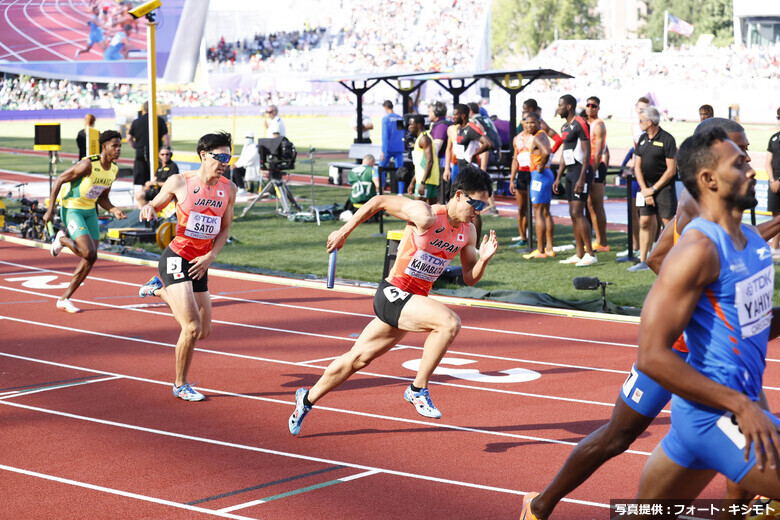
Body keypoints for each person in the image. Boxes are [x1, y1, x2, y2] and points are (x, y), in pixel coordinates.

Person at [520, 117, 776, 520]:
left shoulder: (744, 234)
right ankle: (539, 506)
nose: (750, 163)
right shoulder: (697, 221)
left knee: (654, 508)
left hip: (717, 375)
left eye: (746, 153)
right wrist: (699, 314)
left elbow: (748, 301)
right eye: (739, 152)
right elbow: (657, 259)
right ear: (710, 169)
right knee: (617, 437)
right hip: (679, 352)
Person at [620, 126, 780, 518]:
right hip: (714, 415)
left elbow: (756, 323)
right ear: (708, 179)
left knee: (645, 514)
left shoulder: (753, 241)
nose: (752, 170)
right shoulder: (696, 250)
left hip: (730, 409)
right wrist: (740, 405)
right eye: (739, 163)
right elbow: (651, 356)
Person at [288, 165, 499, 435]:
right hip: (393, 293)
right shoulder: (426, 215)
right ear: (459, 195)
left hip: (413, 302)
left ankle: (305, 400)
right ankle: (417, 389)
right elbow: (378, 201)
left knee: (357, 359)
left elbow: (470, 278)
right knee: (449, 323)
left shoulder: (468, 232)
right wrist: (343, 232)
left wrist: (483, 259)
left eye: (483, 205)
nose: (478, 210)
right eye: (476, 203)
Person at [137, 132, 237, 402]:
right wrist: (148, 208)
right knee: (190, 328)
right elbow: (155, 204)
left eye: (229, 157)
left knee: (203, 332)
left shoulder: (229, 188)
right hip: (176, 257)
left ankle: (158, 290)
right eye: (221, 157)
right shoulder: (180, 181)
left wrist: (210, 257)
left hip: (200, 263)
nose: (225, 162)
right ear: (204, 155)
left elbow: (225, 228)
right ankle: (180, 385)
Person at [43, 130, 127, 313]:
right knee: (88, 251)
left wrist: (114, 209)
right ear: (104, 147)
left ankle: (64, 298)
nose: (119, 149)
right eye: (115, 145)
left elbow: (103, 197)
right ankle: (62, 239)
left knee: (91, 257)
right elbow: (59, 179)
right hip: (72, 209)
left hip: (90, 211)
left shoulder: (113, 170)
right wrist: (50, 210)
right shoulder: (87, 164)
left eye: (120, 146)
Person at [629, 106, 677, 272]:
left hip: (663, 188)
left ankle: (673, 258)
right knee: (644, 221)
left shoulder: (667, 139)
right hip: (646, 188)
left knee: (668, 223)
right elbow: (637, 167)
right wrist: (645, 190)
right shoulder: (642, 139)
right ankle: (643, 260)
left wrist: (654, 189)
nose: (639, 123)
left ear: (650, 122)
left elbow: (671, 169)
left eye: (641, 120)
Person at [553, 94, 596, 267]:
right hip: (570, 172)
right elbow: (565, 152)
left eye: (560, 105)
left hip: (580, 172)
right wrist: (558, 177)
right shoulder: (565, 126)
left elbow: (587, 152)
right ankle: (579, 254)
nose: (558, 108)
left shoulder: (580, 123)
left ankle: (590, 254)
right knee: (573, 213)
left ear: (569, 106)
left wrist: (582, 177)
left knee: (578, 212)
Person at [518, 112, 555, 259]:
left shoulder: (538, 136)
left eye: (532, 123)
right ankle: (549, 248)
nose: (529, 125)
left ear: (539, 123)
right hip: (546, 175)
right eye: (527, 123)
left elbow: (546, 152)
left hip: (540, 175)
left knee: (538, 212)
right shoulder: (543, 135)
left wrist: (541, 165)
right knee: (546, 212)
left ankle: (540, 250)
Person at [127, 101, 170, 194]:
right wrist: (167, 151)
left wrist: (136, 147)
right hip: (156, 154)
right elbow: (167, 138)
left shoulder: (136, 122)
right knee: (157, 179)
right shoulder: (159, 120)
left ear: (143, 109)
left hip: (140, 153)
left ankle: (142, 202)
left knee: (142, 183)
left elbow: (129, 138)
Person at [585, 96, 609, 252]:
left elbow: (600, 150)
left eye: (593, 105)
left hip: (595, 166)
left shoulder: (598, 125)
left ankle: (603, 241)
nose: (590, 108)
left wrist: (593, 171)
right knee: (590, 205)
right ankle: (597, 239)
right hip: (588, 165)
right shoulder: (586, 123)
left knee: (597, 205)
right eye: (588, 105)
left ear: (598, 108)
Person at [407, 114, 439, 204]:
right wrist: (413, 182)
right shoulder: (422, 138)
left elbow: (429, 161)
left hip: (426, 181)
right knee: (432, 211)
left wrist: (423, 182)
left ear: (419, 125)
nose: (409, 127)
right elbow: (421, 164)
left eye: (411, 124)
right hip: (429, 179)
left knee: (418, 209)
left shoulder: (424, 139)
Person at [509, 116, 531, 245]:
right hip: (521, 174)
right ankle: (523, 237)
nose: (527, 124)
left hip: (534, 173)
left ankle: (542, 239)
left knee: (538, 209)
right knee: (521, 208)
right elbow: (515, 159)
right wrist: (512, 179)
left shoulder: (537, 136)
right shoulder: (517, 139)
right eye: (525, 120)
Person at [766, 107, 780, 256]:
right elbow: (768, 161)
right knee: (775, 216)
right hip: (773, 182)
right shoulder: (774, 138)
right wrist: (772, 180)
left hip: (778, 181)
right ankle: (775, 249)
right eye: (778, 118)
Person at [380, 100, 405, 176]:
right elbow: (402, 133)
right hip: (399, 148)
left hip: (388, 149)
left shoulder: (386, 119)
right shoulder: (400, 118)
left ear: (386, 107)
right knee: (401, 172)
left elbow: (385, 136)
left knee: (381, 168)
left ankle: (381, 186)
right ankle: (400, 188)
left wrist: (383, 151)